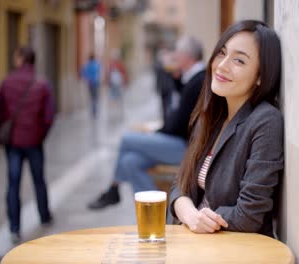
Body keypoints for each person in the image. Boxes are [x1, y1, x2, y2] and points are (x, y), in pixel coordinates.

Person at [169, 20, 283, 236]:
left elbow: (249, 215)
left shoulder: (266, 121)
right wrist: (189, 215)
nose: (221, 65)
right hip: (200, 244)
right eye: (221, 53)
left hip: (237, 251)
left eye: (239, 60)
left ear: (260, 76)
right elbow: (180, 184)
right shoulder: (211, 115)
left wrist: (199, 216)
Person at [87, 36, 205, 210]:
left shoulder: (198, 81)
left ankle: (113, 188)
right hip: (182, 143)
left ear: (188, 56)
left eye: (177, 54)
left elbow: (180, 123)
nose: (175, 58)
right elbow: (179, 105)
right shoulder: (194, 78)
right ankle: (158, 211)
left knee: (127, 139)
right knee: (130, 162)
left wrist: (156, 133)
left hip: (188, 149)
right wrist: (174, 77)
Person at [0, 46, 54, 243]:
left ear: (21, 59)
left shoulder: (7, 81)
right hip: (34, 142)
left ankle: (14, 228)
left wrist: (0, 130)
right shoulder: (42, 83)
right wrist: (40, 134)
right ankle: (44, 217)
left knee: (13, 184)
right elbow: (49, 116)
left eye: (15, 56)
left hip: (14, 143)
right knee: (39, 181)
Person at [81, 53, 102, 118]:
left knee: (91, 97)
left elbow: (83, 73)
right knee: (95, 97)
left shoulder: (87, 65)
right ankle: (94, 110)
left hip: (90, 83)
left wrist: (87, 78)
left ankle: (93, 110)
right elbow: (99, 72)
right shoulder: (97, 64)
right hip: (96, 83)